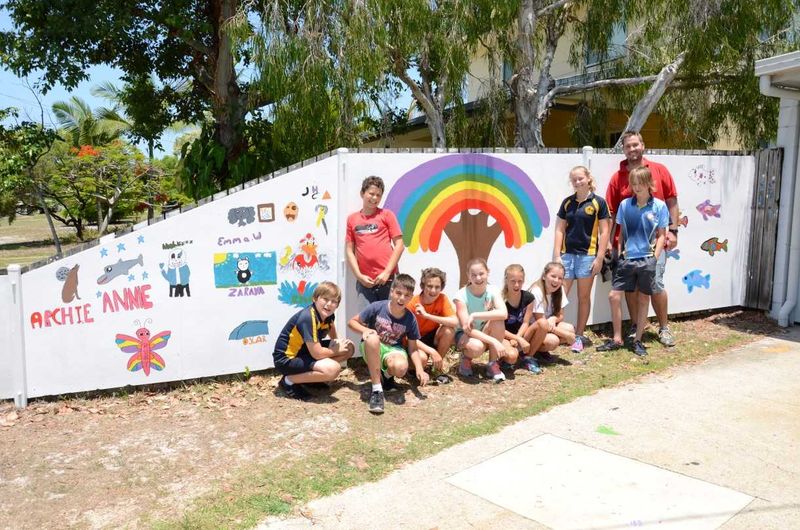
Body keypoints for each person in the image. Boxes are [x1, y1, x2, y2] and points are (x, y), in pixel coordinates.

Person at [606, 131, 679, 346]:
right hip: (627, 247)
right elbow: (611, 213)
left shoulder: (660, 170)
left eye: (635, 144)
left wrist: (673, 231)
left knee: (655, 284)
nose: (632, 149)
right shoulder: (616, 178)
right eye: (628, 146)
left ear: (643, 145)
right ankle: (637, 326)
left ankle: (664, 328)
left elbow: (672, 201)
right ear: (624, 149)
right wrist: (610, 242)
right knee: (631, 288)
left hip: (654, 245)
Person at [597, 166, 669, 357]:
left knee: (644, 297)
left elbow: (662, 235)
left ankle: (638, 340)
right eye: (633, 184)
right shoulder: (624, 205)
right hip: (627, 258)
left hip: (647, 258)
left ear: (649, 184)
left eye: (640, 184)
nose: (637, 188)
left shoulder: (660, 206)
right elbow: (621, 233)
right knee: (614, 295)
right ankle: (617, 338)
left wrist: (654, 258)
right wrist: (619, 253)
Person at [347, 273, 423, 414]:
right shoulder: (377, 307)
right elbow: (351, 322)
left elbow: (413, 348)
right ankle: (377, 391)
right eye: (398, 293)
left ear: (411, 298)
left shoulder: (410, 318)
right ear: (391, 291)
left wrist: (419, 369)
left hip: (393, 349)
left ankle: (386, 375)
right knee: (373, 337)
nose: (401, 298)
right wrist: (365, 330)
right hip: (372, 346)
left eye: (406, 295)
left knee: (401, 368)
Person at [553, 166, 610, 353]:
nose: (578, 182)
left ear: (588, 178)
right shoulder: (567, 203)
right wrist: (556, 256)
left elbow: (604, 232)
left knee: (583, 297)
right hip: (567, 256)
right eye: (574, 180)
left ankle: (578, 336)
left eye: (580, 179)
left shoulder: (598, 203)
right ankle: (555, 334)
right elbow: (560, 229)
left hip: (588, 257)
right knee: (559, 297)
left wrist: (600, 257)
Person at [272, 281, 355, 401]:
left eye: (334, 301)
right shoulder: (308, 317)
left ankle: (311, 379)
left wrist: (336, 342)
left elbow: (330, 326)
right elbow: (317, 354)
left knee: (348, 347)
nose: (329, 304)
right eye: (325, 299)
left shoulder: (328, 315)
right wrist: (334, 350)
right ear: (315, 298)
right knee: (333, 369)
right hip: (287, 359)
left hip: (305, 352)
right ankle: (288, 381)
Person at [345, 175, 405, 311]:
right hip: (365, 281)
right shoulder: (352, 219)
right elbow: (349, 251)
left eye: (378, 195)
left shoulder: (387, 215)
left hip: (388, 279)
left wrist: (386, 272)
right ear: (362, 193)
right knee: (366, 320)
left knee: (389, 319)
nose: (374, 198)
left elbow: (400, 245)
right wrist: (359, 276)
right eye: (371, 194)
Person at [453, 258, 512, 383]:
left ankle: (492, 364)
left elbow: (504, 313)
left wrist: (475, 315)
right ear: (468, 276)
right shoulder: (460, 296)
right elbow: (466, 328)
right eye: (473, 275)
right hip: (465, 335)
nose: (478, 278)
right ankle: (466, 359)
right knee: (476, 347)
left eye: (481, 274)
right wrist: (494, 341)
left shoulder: (493, 290)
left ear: (488, 272)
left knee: (498, 320)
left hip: (484, 331)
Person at [407, 267, 458, 384]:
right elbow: (407, 336)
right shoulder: (412, 303)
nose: (433, 290)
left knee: (449, 330)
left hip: (430, 336)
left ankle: (436, 369)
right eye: (429, 286)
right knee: (423, 358)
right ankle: (411, 369)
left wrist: (427, 316)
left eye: (437, 287)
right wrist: (432, 352)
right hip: (413, 341)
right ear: (422, 286)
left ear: (442, 287)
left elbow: (455, 322)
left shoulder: (442, 298)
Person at [526, 262, 576, 364]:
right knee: (553, 341)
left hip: (547, 326)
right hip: (533, 329)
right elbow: (543, 323)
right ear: (544, 276)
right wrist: (567, 335)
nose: (556, 281)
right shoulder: (536, 291)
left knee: (569, 328)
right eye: (553, 276)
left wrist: (554, 318)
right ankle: (528, 355)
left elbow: (561, 315)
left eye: (560, 278)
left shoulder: (560, 289)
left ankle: (540, 352)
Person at [500, 264, 540, 374]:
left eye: (520, 281)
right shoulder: (500, 299)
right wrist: (517, 339)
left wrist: (518, 338)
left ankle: (527, 358)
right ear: (506, 280)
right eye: (513, 281)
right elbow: (499, 328)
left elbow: (526, 322)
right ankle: (505, 360)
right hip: (504, 335)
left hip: (521, 334)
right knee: (512, 356)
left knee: (542, 323)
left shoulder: (528, 298)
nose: (517, 285)